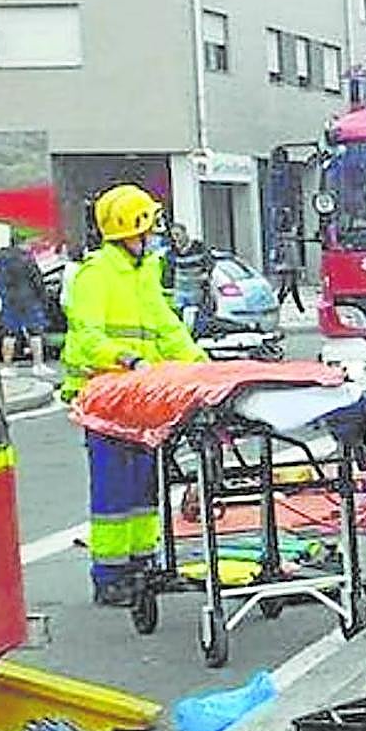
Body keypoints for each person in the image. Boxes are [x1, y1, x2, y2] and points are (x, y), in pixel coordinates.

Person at [61, 183, 207, 605]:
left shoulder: (144, 273)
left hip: (141, 401)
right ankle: (110, 577)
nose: (154, 236)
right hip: (106, 402)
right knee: (114, 490)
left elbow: (167, 329)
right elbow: (86, 336)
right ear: (129, 231)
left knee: (145, 487)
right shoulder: (96, 274)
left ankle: (143, 566)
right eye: (148, 229)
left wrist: (202, 367)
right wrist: (126, 359)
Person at [0, 244, 52, 378]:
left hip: (9, 301)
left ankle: (7, 367)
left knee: (9, 333)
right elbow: (37, 281)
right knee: (34, 331)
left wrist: (3, 294)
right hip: (29, 299)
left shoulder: (0, 263)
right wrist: (42, 298)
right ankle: (38, 365)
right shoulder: (27, 260)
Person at [165, 222, 210, 331]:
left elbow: (210, 263)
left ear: (185, 234)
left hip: (196, 292)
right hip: (180, 293)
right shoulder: (172, 253)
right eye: (173, 236)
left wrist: (206, 275)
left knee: (197, 322)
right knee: (180, 322)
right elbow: (169, 273)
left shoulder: (198, 248)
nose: (176, 239)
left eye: (178, 235)